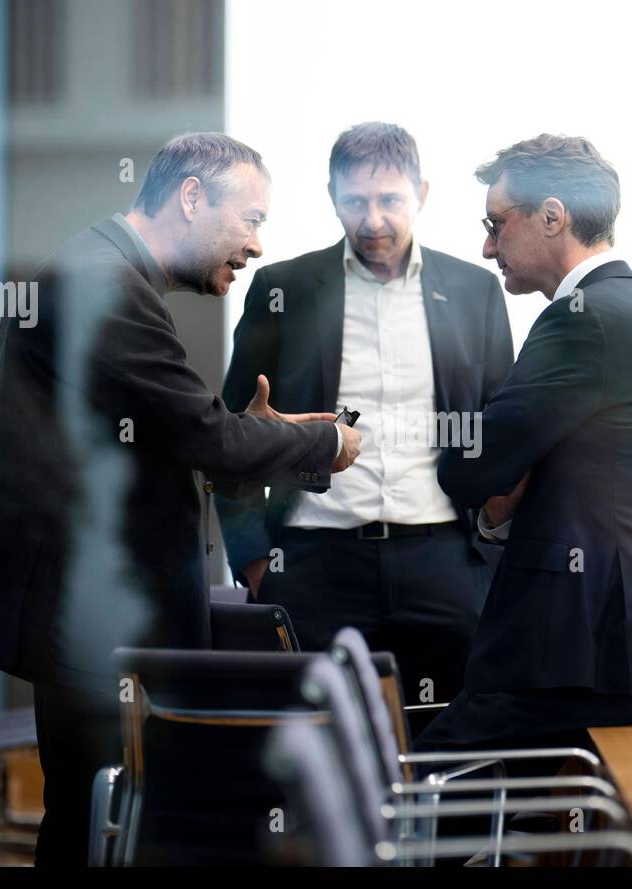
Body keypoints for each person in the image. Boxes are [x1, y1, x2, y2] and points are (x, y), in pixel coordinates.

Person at [0, 133, 361, 865]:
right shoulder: (101, 281)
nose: (258, 246)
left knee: (104, 817)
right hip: (90, 612)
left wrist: (249, 435)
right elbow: (205, 438)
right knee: (96, 820)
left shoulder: (108, 273)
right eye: (252, 219)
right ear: (192, 198)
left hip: (95, 606)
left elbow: (176, 439)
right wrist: (321, 446)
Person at [216, 122, 512, 705]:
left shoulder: (476, 291)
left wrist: (492, 560)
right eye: (355, 202)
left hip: (444, 561)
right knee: (314, 757)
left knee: (448, 745)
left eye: (390, 201)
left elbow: (501, 431)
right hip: (312, 562)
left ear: (421, 194)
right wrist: (254, 561)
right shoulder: (284, 288)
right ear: (332, 197)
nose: (373, 220)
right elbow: (234, 432)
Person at [416, 134, 632, 752]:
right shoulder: (622, 306)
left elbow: (471, 465)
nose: (487, 247)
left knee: (405, 812)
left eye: (496, 224)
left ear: (552, 215)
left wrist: (464, 455)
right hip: (594, 651)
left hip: (575, 654)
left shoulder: (584, 316)